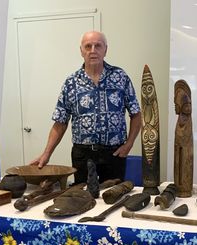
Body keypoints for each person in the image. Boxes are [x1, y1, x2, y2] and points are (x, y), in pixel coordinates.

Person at [30, 31, 142, 184]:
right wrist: (46, 154)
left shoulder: (120, 77)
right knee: (83, 199)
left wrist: (129, 144)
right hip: (83, 155)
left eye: (98, 46)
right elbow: (60, 122)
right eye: (88, 46)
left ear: (105, 50)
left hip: (114, 154)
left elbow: (136, 114)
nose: (93, 50)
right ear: (81, 51)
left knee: (113, 198)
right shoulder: (71, 83)